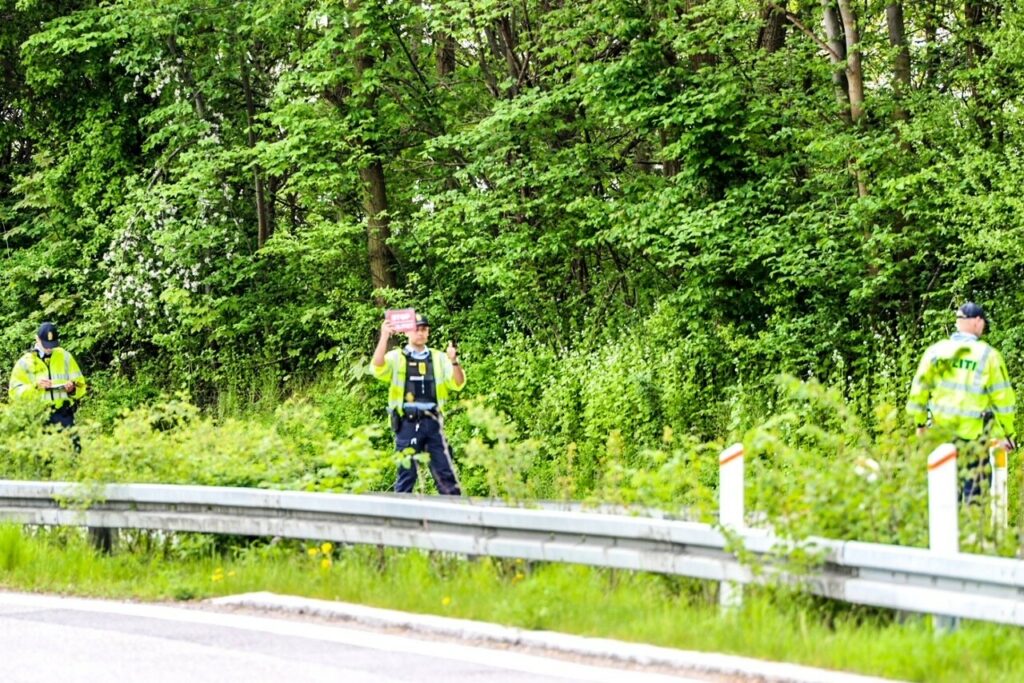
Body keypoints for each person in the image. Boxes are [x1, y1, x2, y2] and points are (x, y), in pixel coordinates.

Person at [907, 302, 1016, 500]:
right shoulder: (988, 356)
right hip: (974, 439)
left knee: (944, 499)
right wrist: (1006, 435)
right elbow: (1002, 401)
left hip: (940, 436)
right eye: (983, 323)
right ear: (977, 322)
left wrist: (920, 424)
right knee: (975, 497)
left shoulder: (935, 352)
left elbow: (919, 392)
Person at [371, 313, 465, 494]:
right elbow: (377, 367)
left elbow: (458, 383)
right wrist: (384, 336)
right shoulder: (397, 357)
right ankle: (401, 511)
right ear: (407, 332)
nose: (420, 333)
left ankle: (453, 511)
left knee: (446, 475)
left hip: (433, 422)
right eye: (416, 329)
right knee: (406, 475)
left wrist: (454, 360)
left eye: (424, 329)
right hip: (407, 422)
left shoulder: (439, 358)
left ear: (428, 332)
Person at [9, 322, 87, 429]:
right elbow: (14, 393)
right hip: (38, 417)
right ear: (37, 339)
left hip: (64, 415)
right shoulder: (25, 362)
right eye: (46, 345)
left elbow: (81, 385)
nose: (49, 348)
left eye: (52, 345)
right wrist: (35, 386)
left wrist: (72, 389)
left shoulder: (65, 356)